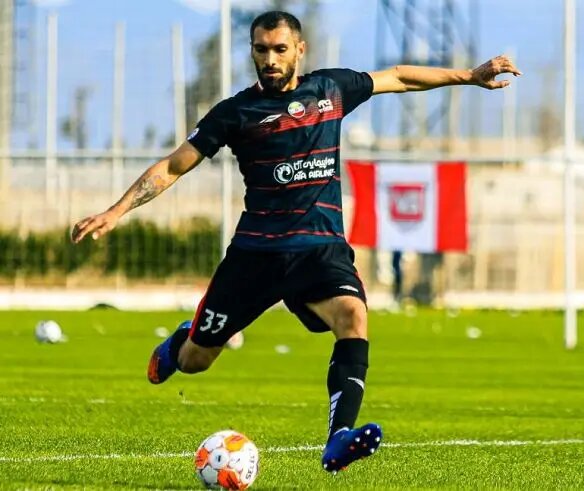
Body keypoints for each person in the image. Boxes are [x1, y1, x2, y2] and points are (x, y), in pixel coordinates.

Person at [71, 11, 521, 473]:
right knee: (196, 361)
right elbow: (173, 165)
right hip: (255, 255)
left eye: (279, 49)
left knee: (353, 316)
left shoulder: (331, 89)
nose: (270, 59)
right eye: (261, 49)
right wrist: (115, 211)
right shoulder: (235, 113)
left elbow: (399, 77)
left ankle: (338, 437)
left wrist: (469, 76)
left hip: (318, 249)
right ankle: (183, 340)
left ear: (299, 50)